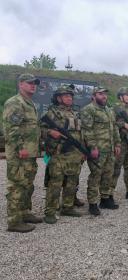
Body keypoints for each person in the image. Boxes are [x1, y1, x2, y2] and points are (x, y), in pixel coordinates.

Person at [3, 73, 42, 232]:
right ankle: (14, 221)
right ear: (20, 84)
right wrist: (21, 148)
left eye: (35, 83)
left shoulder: (30, 103)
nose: (33, 85)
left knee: (27, 185)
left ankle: (24, 212)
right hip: (20, 154)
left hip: (30, 154)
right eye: (29, 83)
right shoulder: (15, 103)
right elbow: (11, 129)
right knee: (17, 186)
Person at [40, 84, 83, 224]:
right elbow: (39, 128)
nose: (69, 98)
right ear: (58, 98)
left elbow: (80, 133)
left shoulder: (74, 113)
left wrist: (83, 150)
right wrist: (50, 132)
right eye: (66, 96)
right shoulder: (52, 113)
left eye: (71, 96)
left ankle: (67, 207)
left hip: (74, 154)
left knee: (72, 182)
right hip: (58, 154)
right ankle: (50, 212)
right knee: (55, 183)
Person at [81, 86, 121, 215]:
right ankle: (92, 203)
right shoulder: (88, 110)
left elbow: (114, 128)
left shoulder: (108, 110)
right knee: (95, 176)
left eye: (105, 94)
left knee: (108, 175)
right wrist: (92, 147)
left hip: (109, 149)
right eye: (100, 94)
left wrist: (117, 143)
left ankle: (105, 199)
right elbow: (87, 130)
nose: (104, 96)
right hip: (98, 150)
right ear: (94, 96)